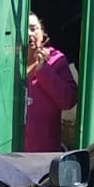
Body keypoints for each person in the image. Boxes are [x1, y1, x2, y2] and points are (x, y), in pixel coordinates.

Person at [24, 14, 77, 153]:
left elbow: (68, 101)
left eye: (33, 28)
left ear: (42, 32)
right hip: (9, 152)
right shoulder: (6, 61)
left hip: (43, 153)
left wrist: (43, 70)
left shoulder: (56, 60)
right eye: (24, 29)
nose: (29, 33)